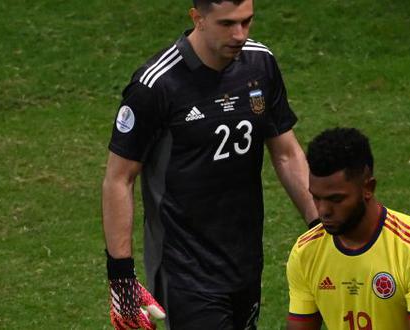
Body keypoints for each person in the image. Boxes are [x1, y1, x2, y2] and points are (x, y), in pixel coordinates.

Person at [101, 0, 318, 329]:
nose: (239, 34)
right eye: (227, 23)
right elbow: (119, 179)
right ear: (197, 18)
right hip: (183, 269)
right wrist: (121, 279)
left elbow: (286, 151)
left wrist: (321, 227)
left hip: (244, 260)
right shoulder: (156, 84)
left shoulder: (260, 64)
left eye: (247, 22)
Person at [286, 127, 410, 330]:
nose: (322, 211)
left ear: (368, 189)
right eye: (316, 197)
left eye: (335, 199)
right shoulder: (305, 252)